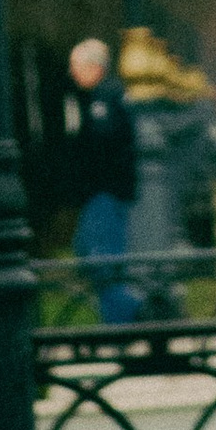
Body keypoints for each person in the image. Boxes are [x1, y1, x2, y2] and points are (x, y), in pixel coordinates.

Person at [62, 34, 140, 323]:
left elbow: (101, 144)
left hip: (104, 192)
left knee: (101, 258)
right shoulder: (99, 97)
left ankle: (130, 315)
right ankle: (124, 314)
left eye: (77, 66)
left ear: (95, 67)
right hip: (104, 192)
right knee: (91, 252)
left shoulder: (103, 99)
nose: (72, 73)